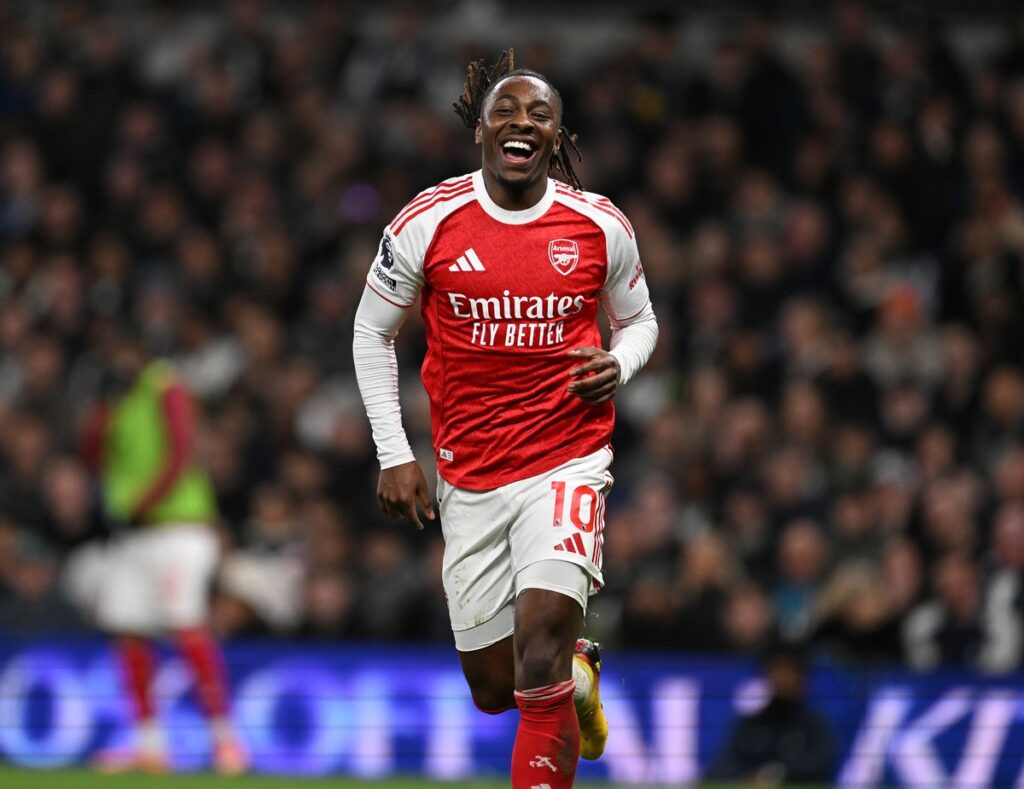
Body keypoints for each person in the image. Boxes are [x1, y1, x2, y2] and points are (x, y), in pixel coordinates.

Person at [353, 50, 658, 788]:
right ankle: (578, 672)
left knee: (541, 652)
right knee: (498, 689)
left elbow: (640, 320)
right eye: (507, 112)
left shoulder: (598, 226)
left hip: (567, 458)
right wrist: (395, 452)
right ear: (481, 131)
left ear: (558, 138)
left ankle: (564, 663)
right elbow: (371, 332)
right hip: (471, 474)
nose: (522, 123)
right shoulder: (428, 222)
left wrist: (621, 364)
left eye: (540, 115)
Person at [78, 335, 247, 775]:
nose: (118, 359)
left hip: (178, 528)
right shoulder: (118, 400)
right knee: (128, 631)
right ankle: (149, 745)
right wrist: (98, 416)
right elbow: (94, 457)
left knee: (185, 625)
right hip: (131, 534)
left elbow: (181, 452)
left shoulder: (165, 385)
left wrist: (144, 502)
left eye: (124, 350)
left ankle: (226, 741)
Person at [708, 641, 836, 784]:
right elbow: (722, 766)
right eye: (777, 670)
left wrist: (776, 775)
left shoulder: (814, 725)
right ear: (766, 675)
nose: (783, 678)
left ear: (802, 677)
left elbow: (822, 764)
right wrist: (749, 778)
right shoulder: (750, 725)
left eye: (790, 670)